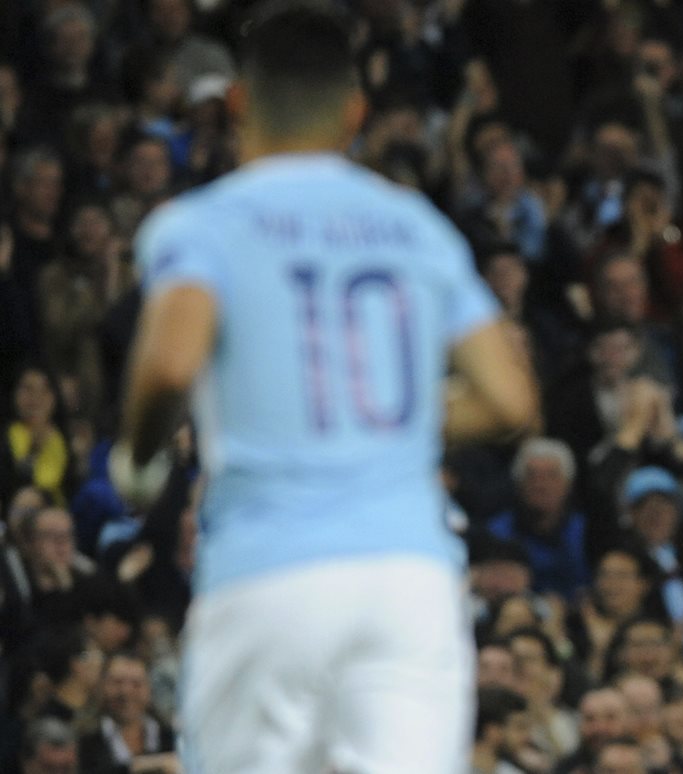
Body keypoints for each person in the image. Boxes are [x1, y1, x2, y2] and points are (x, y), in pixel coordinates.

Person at [106, 3, 538, 772]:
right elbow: (510, 401)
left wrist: (138, 449)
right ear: (356, 111)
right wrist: (379, 427)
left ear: (238, 101)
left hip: (268, 573)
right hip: (410, 582)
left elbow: (171, 363)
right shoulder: (414, 226)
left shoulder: (203, 223)